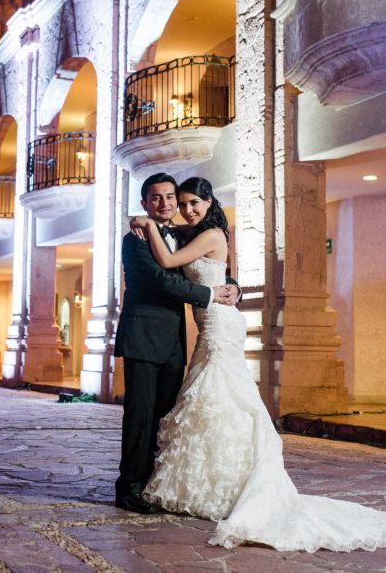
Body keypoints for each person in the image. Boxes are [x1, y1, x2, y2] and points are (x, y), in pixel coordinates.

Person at [131, 177, 386, 551]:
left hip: (220, 326)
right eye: (182, 203)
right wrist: (229, 282)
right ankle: (212, 481)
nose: (187, 209)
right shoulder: (192, 233)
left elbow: (170, 262)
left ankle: (225, 487)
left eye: (193, 203)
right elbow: (211, 272)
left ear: (209, 203)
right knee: (214, 402)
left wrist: (148, 224)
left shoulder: (211, 234)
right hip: (211, 324)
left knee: (219, 398)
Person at [114, 172, 240, 515]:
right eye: (156, 198)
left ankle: (154, 483)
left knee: (164, 415)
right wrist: (210, 295)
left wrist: (234, 288)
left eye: (171, 197)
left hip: (174, 341)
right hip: (143, 336)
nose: (166, 204)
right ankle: (129, 488)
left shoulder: (184, 234)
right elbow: (161, 280)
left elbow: (209, 265)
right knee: (140, 416)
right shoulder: (135, 239)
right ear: (145, 203)